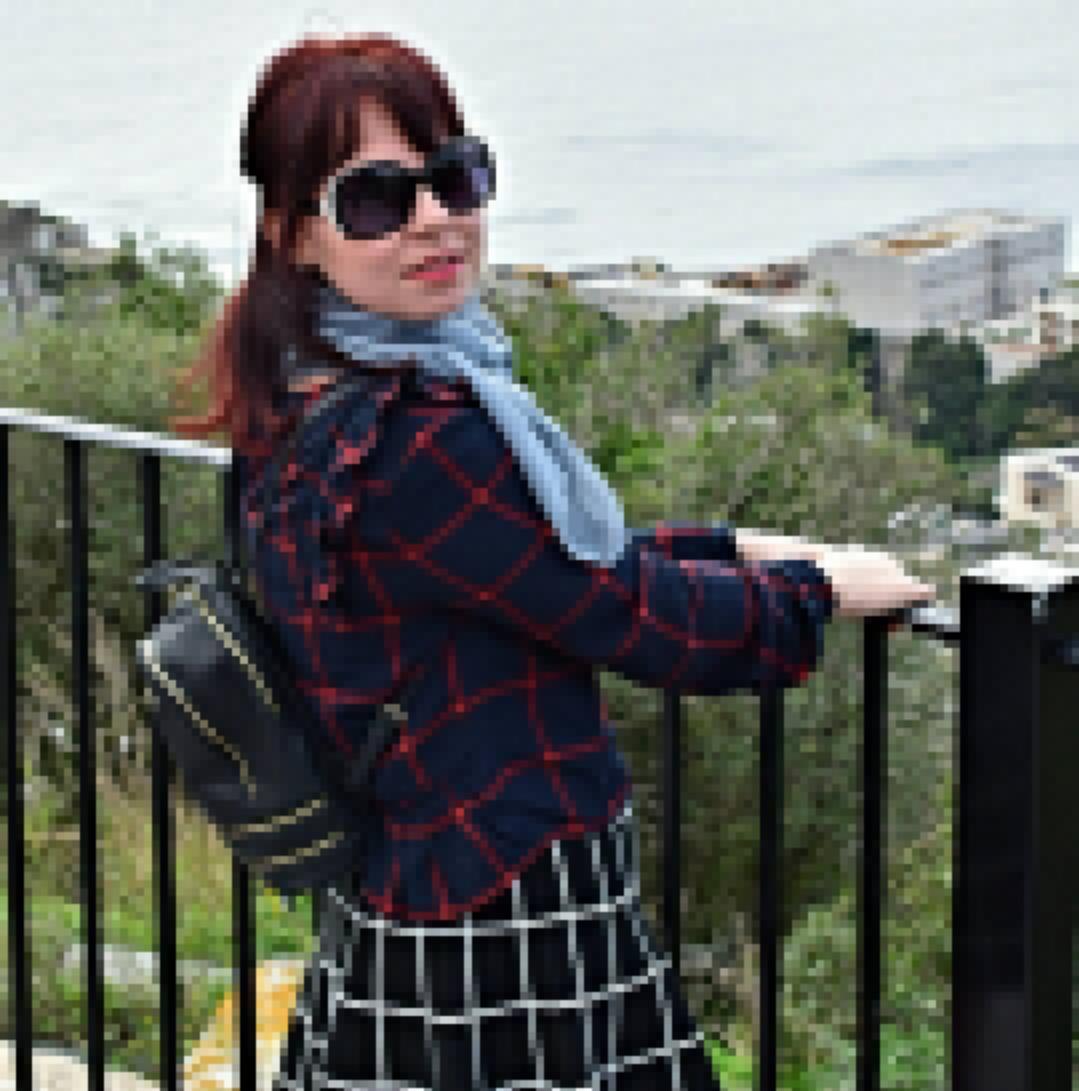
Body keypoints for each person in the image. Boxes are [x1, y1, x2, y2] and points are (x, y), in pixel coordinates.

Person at [170, 31, 935, 1091]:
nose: (434, 218)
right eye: (376, 199)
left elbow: (537, 572)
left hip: (407, 878)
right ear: (294, 234)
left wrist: (738, 547)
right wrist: (817, 592)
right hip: (504, 897)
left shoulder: (307, 403)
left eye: (453, 176)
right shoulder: (418, 436)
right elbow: (628, 614)